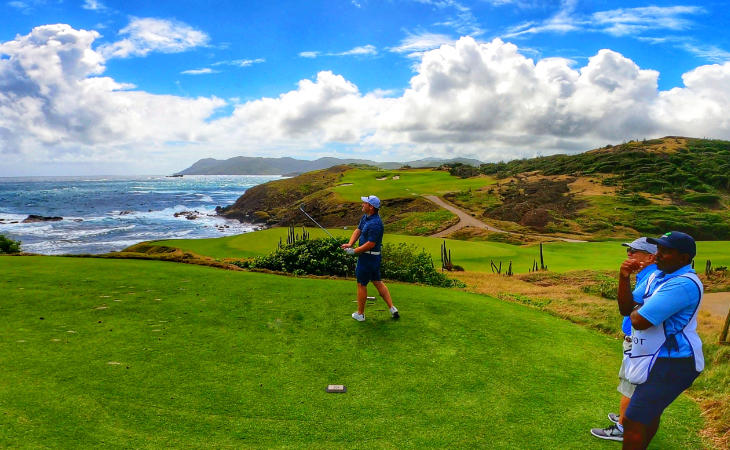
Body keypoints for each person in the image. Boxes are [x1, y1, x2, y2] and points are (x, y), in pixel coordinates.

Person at [618, 231, 704, 450]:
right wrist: (623, 278)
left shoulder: (683, 284)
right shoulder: (658, 276)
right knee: (647, 415)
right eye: (658, 249)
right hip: (656, 356)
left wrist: (641, 309)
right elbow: (626, 310)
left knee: (632, 420)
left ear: (684, 258)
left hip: (675, 361)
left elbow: (639, 321)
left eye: (666, 251)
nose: (657, 255)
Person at [591, 237, 657, 442]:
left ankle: (622, 427)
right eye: (628, 250)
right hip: (639, 339)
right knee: (632, 383)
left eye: (634, 251)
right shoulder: (646, 274)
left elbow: (627, 308)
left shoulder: (650, 276)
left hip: (639, 342)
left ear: (650, 256)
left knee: (630, 385)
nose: (628, 254)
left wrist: (623, 277)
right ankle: (627, 418)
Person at [341, 195, 399, 322]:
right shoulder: (366, 218)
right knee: (377, 281)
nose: (362, 204)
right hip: (372, 258)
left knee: (361, 284)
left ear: (371, 207)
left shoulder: (375, 224)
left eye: (365, 203)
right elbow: (358, 230)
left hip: (368, 258)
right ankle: (392, 308)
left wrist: (354, 252)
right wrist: (350, 244)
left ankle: (360, 314)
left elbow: (371, 244)